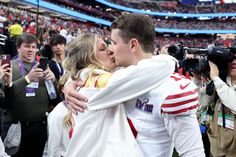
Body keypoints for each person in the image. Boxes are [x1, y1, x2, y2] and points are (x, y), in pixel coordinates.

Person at [64, 14, 205, 157]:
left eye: (113, 43)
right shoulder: (114, 78)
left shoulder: (171, 89)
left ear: (132, 45)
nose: (111, 50)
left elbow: (193, 153)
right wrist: (170, 60)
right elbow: (89, 75)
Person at [62, 32, 176, 157]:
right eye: (102, 49)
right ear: (86, 58)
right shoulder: (100, 83)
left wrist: (68, 83)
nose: (111, 50)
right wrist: (169, 58)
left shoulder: (87, 79)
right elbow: (160, 68)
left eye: (109, 45)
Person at [2, 32, 56, 157]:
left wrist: (53, 80)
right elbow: (5, 96)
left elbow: (53, 96)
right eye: (26, 46)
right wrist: (27, 78)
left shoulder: (42, 67)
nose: (31, 50)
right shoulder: (8, 67)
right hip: (17, 128)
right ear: (18, 47)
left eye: (33, 47)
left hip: (40, 126)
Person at [207, 57, 236, 157]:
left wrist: (216, 79)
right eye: (231, 58)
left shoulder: (219, 82)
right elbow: (200, 106)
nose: (234, 61)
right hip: (216, 148)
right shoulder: (220, 82)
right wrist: (197, 79)